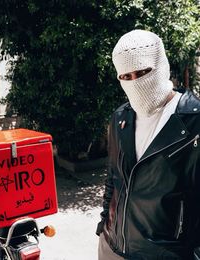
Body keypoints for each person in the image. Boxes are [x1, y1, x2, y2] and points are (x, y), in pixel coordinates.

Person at [96, 29, 200, 260]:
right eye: (126, 76)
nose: (135, 82)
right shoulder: (120, 117)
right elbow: (113, 176)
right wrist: (104, 224)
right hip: (112, 247)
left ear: (161, 65)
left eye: (142, 72)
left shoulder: (194, 122)